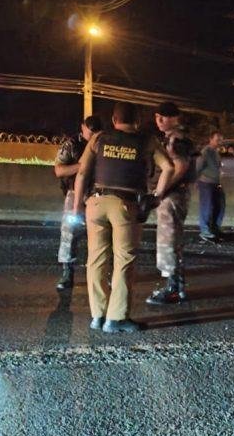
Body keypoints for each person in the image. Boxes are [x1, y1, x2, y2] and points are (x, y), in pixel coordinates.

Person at [73, 102, 174, 334]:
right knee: (124, 260)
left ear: (114, 120)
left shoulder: (98, 138)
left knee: (96, 260)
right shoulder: (147, 140)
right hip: (125, 206)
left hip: (95, 203)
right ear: (137, 121)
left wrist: (77, 207)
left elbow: (81, 172)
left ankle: (98, 315)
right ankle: (116, 318)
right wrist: (156, 196)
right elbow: (168, 167)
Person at [147, 102, 196, 305]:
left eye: (163, 117)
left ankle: (172, 288)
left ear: (175, 118)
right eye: (157, 116)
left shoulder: (177, 139)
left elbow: (181, 167)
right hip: (175, 194)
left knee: (168, 240)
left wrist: (160, 191)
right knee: (173, 240)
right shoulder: (171, 138)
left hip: (173, 195)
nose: (159, 121)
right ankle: (178, 286)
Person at [53, 114, 104, 291]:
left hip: (96, 195)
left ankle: (102, 273)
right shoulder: (72, 144)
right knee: (69, 232)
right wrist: (82, 167)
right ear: (83, 127)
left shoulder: (103, 143)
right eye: (90, 131)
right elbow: (59, 170)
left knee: (101, 235)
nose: (92, 135)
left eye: (95, 131)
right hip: (75, 194)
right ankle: (67, 273)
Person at [196, 129, 225, 242]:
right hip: (206, 182)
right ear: (211, 139)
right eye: (217, 140)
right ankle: (205, 231)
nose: (219, 142)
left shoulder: (215, 151)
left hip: (215, 182)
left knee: (220, 206)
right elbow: (199, 166)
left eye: (221, 140)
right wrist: (196, 180)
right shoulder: (206, 152)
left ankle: (215, 228)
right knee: (206, 207)